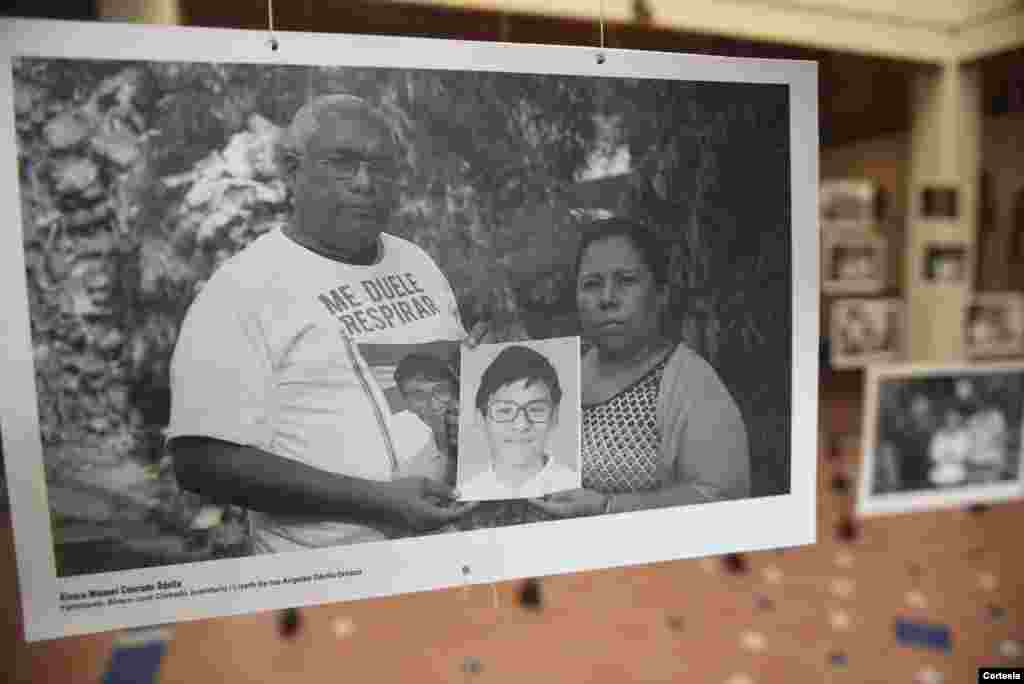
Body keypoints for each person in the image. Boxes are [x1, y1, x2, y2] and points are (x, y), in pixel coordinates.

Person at [166, 94, 482, 554]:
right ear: (293, 172)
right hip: (325, 580)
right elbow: (200, 461)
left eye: (382, 167)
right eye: (342, 163)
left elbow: (444, 395)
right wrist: (378, 502)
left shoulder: (416, 263)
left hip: (440, 554)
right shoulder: (242, 288)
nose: (364, 182)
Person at [530, 217, 750, 519]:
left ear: (661, 294)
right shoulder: (562, 373)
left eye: (626, 281)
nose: (607, 298)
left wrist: (610, 507)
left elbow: (723, 498)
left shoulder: (689, 382)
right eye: (592, 284)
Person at [459, 345, 578, 501]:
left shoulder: (574, 486)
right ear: (481, 419)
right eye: (504, 411)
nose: (521, 425)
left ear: (554, 417)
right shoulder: (466, 494)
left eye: (535, 409)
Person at [392, 353, 458, 485]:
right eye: (418, 396)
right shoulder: (409, 474)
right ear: (406, 402)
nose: (433, 404)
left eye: (441, 390)